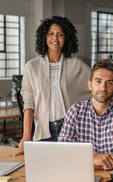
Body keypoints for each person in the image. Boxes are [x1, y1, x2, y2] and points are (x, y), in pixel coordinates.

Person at [16, 16, 91, 155]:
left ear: (66, 38)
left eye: (60, 34)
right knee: (44, 171)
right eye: (51, 33)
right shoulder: (32, 67)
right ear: (44, 36)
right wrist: (26, 135)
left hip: (71, 129)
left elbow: (96, 89)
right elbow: (29, 103)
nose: (55, 38)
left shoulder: (78, 65)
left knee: (70, 169)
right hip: (44, 130)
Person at [58, 60, 113, 170]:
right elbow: (63, 151)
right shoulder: (75, 111)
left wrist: (84, 160)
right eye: (98, 81)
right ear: (90, 85)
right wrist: (93, 159)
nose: (103, 88)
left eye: (109, 82)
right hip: (80, 176)